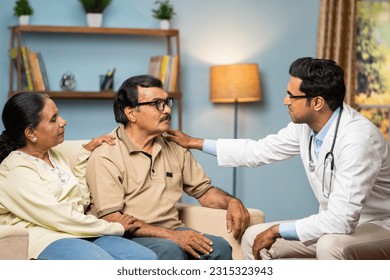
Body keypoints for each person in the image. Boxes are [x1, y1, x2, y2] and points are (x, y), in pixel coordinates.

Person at [166, 57, 390, 260]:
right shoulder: (306, 128)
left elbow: (342, 220)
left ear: (317, 102)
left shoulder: (358, 139)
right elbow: (257, 151)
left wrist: (277, 230)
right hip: (334, 224)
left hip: (379, 226)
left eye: (292, 95)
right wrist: (195, 142)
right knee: (253, 237)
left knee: (331, 244)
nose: (285, 101)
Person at [85, 74, 250, 260]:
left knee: (219, 247)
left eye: (167, 102)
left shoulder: (175, 145)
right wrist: (173, 236)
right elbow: (112, 218)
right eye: (157, 104)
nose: (167, 111)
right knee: (171, 251)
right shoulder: (106, 155)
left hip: (171, 231)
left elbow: (204, 192)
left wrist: (232, 202)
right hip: (126, 235)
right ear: (131, 113)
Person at [0, 92, 157, 260]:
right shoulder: (16, 170)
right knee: (102, 264)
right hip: (47, 237)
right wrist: (115, 227)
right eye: (53, 119)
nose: (63, 121)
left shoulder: (54, 157)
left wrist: (85, 154)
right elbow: (59, 217)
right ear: (31, 133)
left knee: (147, 259)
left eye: (58, 114)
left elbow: (79, 202)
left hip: (78, 231)